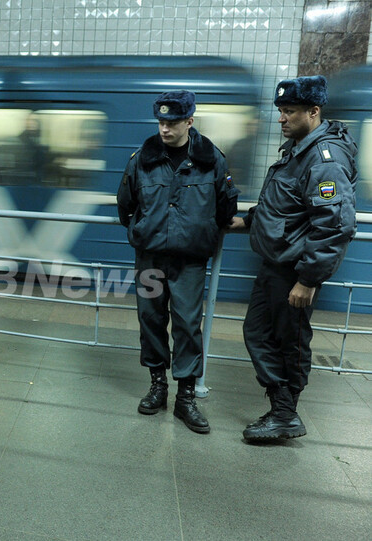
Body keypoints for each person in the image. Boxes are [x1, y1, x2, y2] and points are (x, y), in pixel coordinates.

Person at [228, 75, 357, 442]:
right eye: (281, 111)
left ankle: (285, 414)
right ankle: (280, 406)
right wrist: (247, 220)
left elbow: (335, 224)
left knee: (290, 341)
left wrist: (308, 279)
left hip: (295, 271)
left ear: (313, 112)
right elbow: (285, 204)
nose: (281, 118)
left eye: (289, 111)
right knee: (257, 332)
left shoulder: (324, 159)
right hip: (275, 265)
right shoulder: (298, 149)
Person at [117, 91, 238, 434]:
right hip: (150, 256)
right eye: (161, 122)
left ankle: (186, 397)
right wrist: (145, 228)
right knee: (151, 320)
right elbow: (125, 204)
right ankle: (158, 385)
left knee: (187, 324)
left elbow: (226, 206)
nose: (164, 129)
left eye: (171, 123)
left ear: (189, 121)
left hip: (190, 259)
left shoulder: (211, 160)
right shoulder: (142, 159)